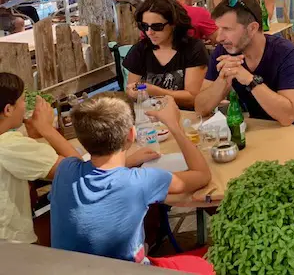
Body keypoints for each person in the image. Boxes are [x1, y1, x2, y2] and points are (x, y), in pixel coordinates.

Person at [50, 93, 212, 270]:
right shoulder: (139, 181)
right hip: (127, 270)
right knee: (208, 262)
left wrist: (128, 161)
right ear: (131, 134)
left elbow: (94, 168)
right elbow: (202, 175)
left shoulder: (65, 170)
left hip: (69, 269)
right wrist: (174, 125)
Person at [195, 0, 294, 137]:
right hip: (261, 128)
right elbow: (200, 109)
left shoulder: (286, 53)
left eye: (227, 29)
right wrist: (222, 81)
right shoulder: (223, 51)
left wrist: (250, 80)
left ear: (252, 28)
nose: (219, 37)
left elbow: (287, 117)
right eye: (219, 29)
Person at [0, 73, 80, 243]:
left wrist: (31, 135)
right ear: (8, 109)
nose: (24, 107)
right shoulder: (9, 145)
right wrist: (46, 128)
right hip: (12, 247)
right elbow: (77, 170)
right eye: (22, 101)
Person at [124, 0, 209, 109]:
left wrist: (155, 91)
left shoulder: (193, 48)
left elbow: (193, 98)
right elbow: (131, 93)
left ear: (173, 24)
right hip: (150, 118)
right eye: (144, 26)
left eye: (157, 26)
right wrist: (132, 92)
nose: (149, 32)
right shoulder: (140, 50)